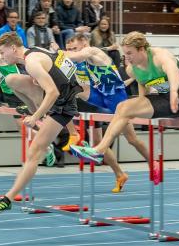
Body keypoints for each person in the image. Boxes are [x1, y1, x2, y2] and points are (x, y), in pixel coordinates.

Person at [70, 31, 179, 164]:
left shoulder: (159, 55)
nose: (126, 58)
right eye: (125, 54)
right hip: (163, 98)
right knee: (123, 107)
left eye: (129, 53)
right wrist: (140, 103)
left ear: (141, 49)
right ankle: (99, 150)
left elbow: (174, 73)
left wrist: (173, 94)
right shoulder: (132, 68)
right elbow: (143, 87)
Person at [0, 32, 82, 212]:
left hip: (64, 104)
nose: (1, 56)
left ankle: (8, 198)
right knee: (10, 79)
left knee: (34, 152)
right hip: (63, 93)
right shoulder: (35, 52)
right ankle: (40, 115)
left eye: (2, 52)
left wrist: (36, 116)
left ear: (13, 48)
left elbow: (53, 92)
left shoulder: (31, 62)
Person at [64, 33, 154, 190]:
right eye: (69, 49)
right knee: (70, 90)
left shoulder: (92, 52)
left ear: (84, 44)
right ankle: (120, 174)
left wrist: (57, 54)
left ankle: (153, 163)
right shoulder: (80, 62)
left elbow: (80, 55)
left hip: (115, 97)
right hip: (98, 96)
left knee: (132, 140)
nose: (71, 51)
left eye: (74, 48)